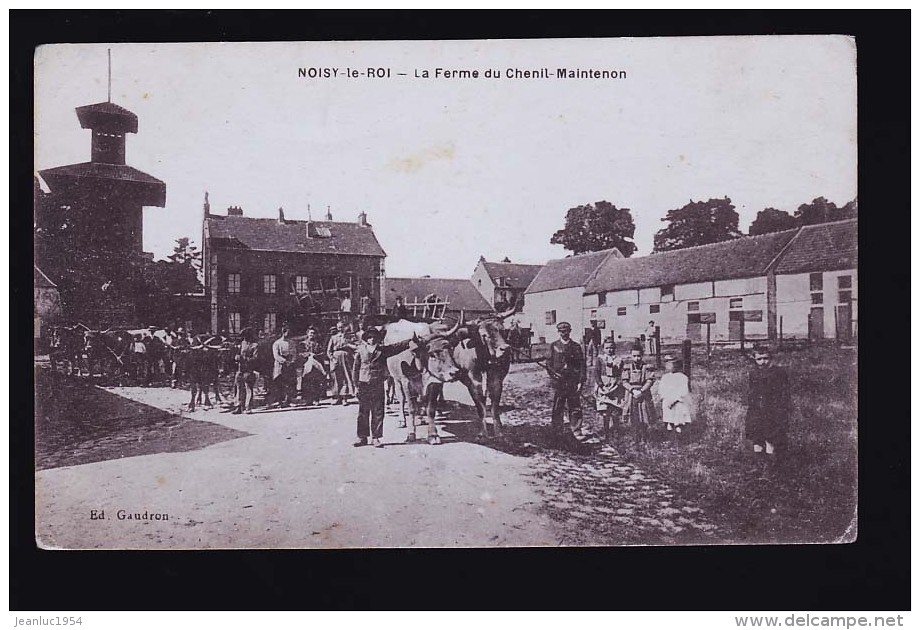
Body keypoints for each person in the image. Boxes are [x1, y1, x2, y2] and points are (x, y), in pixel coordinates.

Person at [351, 328, 412, 448]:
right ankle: (362, 437)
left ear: (378, 339)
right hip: (363, 383)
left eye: (374, 337)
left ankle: (376, 438)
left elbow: (397, 347)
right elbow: (355, 368)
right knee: (363, 412)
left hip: (377, 383)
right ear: (366, 339)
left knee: (378, 411)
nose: (372, 339)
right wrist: (355, 386)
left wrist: (410, 341)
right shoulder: (360, 351)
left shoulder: (382, 350)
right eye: (369, 337)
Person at [744, 345, 791, 460]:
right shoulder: (753, 373)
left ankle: (771, 465)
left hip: (773, 409)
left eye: (766, 358)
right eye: (759, 359)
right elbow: (752, 391)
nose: (763, 362)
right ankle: (758, 463)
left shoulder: (778, 373)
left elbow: (784, 392)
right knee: (757, 436)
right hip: (756, 409)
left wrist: (782, 408)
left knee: (771, 436)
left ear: (771, 358)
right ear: (754, 360)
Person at [548, 321, 587, 439]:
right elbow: (548, 364)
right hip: (558, 383)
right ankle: (557, 430)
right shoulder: (554, 346)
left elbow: (581, 365)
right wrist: (554, 376)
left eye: (566, 331)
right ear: (558, 332)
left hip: (572, 382)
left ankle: (576, 429)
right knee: (557, 406)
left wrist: (580, 381)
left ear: (570, 331)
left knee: (575, 406)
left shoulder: (576, 347)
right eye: (561, 331)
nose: (564, 333)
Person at [622, 343, 658, 443]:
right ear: (631, 356)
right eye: (634, 356)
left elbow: (650, 380)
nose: (637, 358)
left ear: (642, 355)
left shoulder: (646, 367)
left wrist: (642, 391)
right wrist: (632, 390)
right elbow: (624, 382)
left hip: (643, 394)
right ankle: (635, 438)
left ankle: (644, 437)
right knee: (634, 416)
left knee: (644, 415)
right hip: (631, 394)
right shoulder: (627, 367)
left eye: (639, 356)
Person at [594, 338, 625, 442]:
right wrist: (601, 385)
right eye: (607, 348)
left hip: (614, 385)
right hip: (603, 385)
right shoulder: (600, 359)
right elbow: (596, 373)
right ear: (603, 349)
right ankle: (606, 432)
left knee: (615, 410)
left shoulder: (618, 359)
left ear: (615, 348)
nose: (610, 350)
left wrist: (617, 383)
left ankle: (617, 432)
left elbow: (620, 373)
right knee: (605, 412)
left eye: (612, 348)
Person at [658, 355, 692, 437]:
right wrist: (665, 398)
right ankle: (669, 429)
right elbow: (661, 390)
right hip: (668, 401)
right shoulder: (665, 377)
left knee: (679, 408)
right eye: (668, 363)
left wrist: (675, 400)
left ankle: (679, 430)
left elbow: (683, 391)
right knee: (667, 407)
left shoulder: (682, 377)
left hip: (678, 401)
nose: (670, 366)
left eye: (672, 363)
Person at [326, 321, 356, 404]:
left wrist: (348, 345)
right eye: (339, 327)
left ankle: (344, 398)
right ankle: (337, 397)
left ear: (345, 327)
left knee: (346, 377)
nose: (340, 329)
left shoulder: (349, 337)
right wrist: (332, 359)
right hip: (336, 357)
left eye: (342, 327)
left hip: (346, 357)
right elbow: (328, 351)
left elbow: (355, 347)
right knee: (336, 377)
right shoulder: (333, 337)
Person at [268, 324, 296, 408]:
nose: (289, 334)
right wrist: (284, 361)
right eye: (288, 332)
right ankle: (280, 401)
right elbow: (276, 355)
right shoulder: (277, 343)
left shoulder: (291, 342)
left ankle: (288, 400)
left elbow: (294, 353)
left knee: (290, 383)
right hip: (280, 365)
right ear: (283, 332)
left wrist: (292, 361)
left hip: (289, 364)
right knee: (279, 383)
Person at [233, 327, 259, 414]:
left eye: (245, 336)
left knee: (249, 389)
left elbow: (255, 359)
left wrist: (243, 358)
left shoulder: (255, 346)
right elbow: (238, 353)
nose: (243, 338)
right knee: (239, 388)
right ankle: (239, 406)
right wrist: (236, 357)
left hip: (249, 369)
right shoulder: (242, 344)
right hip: (240, 369)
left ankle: (248, 407)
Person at [299, 328, 328, 406]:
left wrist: (316, 355)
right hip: (306, 365)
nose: (312, 335)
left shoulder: (318, 344)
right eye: (310, 333)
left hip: (316, 366)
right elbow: (300, 353)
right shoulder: (303, 344)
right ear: (307, 334)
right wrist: (307, 354)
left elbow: (322, 353)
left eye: (313, 333)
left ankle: (316, 399)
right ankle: (308, 400)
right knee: (306, 383)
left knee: (316, 383)